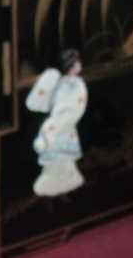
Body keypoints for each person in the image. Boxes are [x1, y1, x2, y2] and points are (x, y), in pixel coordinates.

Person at [26, 49, 89, 196]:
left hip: (65, 125)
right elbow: (51, 103)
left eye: (78, 63)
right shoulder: (59, 82)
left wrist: (63, 121)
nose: (78, 66)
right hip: (58, 123)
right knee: (54, 157)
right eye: (75, 63)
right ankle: (54, 179)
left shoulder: (78, 84)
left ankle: (68, 178)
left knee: (65, 157)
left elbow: (77, 106)